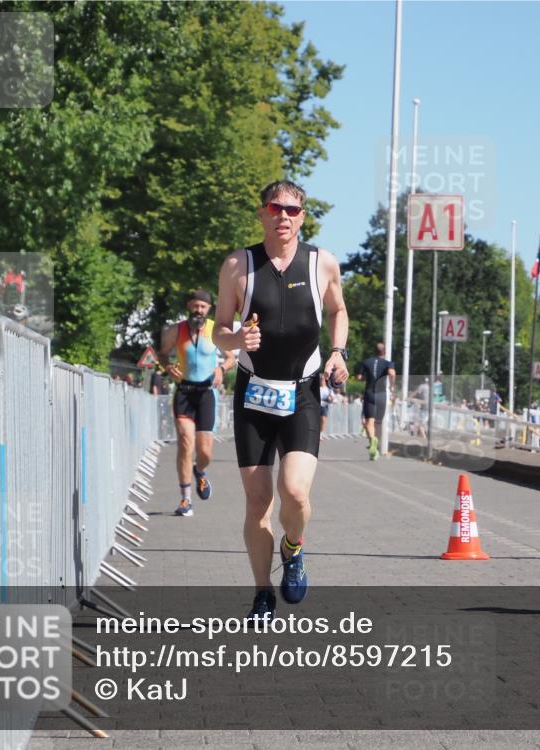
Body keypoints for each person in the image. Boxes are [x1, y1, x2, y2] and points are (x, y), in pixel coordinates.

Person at [213, 180, 348, 624]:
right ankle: (262, 594)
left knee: (294, 491)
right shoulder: (238, 265)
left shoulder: (322, 263)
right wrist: (236, 339)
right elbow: (220, 328)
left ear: (302, 217)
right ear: (262, 213)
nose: (284, 216)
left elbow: (338, 311)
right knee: (257, 502)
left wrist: (337, 352)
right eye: (276, 208)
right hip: (253, 390)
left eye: (293, 210)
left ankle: (293, 548)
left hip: (303, 391)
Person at [160, 290, 236, 517]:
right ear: (188, 307)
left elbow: (231, 358)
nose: (199, 310)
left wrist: (221, 368)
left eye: (203, 307)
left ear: (209, 309)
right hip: (184, 391)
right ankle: (185, 499)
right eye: (195, 306)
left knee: (205, 452)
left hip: (206, 394)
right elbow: (163, 354)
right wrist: (167, 366)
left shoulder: (215, 330)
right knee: (185, 442)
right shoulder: (176, 330)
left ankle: (200, 470)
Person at [355, 342, 396, 460]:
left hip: (369, 393)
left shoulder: (366, 362)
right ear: (385, 352)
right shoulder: (388, 363)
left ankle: (372, 440)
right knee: (378, 422)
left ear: (374, 351)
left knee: (369, 422)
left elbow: (358, 377)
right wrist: (392, 385)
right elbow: (392, 373)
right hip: (381, 394)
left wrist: (366, 377)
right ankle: (376, 443)